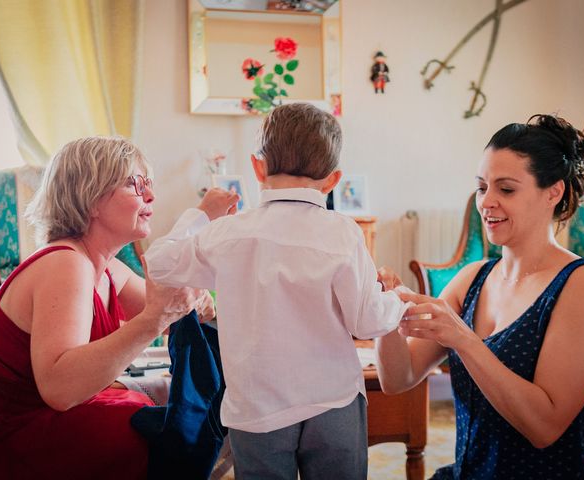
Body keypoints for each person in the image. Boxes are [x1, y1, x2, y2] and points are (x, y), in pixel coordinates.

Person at [144, 103, 410, 480]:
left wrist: (202, 213)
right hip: (332, 401)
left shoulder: (228, 234)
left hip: (256, 409)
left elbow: (160, 262)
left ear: (257, 167)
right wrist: (395, 300)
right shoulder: (342, 233)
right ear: (333, 180)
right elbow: (367, 321)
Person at [376, 114, 584, 479]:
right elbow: (398, 378)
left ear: (554, 192)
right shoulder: (473, 279)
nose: (486, 202)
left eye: (506, 189)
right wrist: (384, 313)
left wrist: (463, 339)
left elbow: (544, 427)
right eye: (482, 187)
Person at [0, 136, 218, 478]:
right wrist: (155, 317)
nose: (151, 195)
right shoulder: (65, 264)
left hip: (35, 417)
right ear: (91, 199)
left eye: (148, 184)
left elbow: (166, 309)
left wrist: (192, 300)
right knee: (144, 430)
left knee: (143, 411)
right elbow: (60, 389)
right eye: (135, 184)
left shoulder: (107, 266)